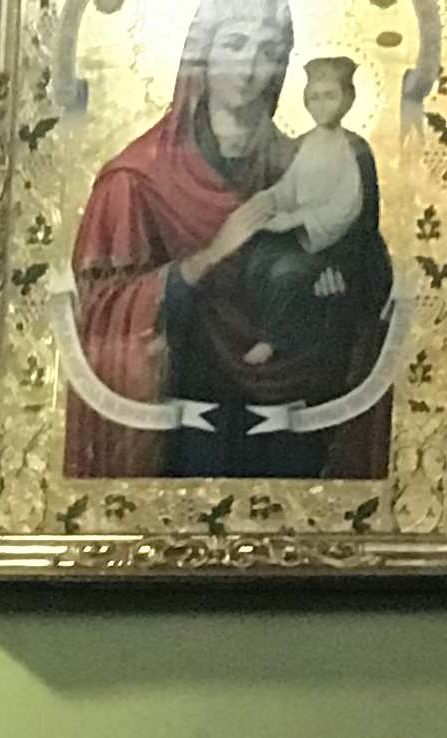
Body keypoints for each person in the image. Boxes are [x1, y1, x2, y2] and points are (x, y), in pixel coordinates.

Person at [63, 0, 393, 482]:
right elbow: (100, 318)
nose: (250, 67)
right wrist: (208, 258)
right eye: (235, 44)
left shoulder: (309, 163)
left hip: (296, 412)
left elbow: (371, 278)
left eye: (268, 51)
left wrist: (339, 277)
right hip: (188, 422)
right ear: (201, 56)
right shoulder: (136, 179)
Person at [232, 54, 377, 370]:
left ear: (348, 99)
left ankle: (274, 340)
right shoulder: (303, 145)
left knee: (287, 273)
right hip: (299, 235)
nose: (321, 105)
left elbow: (348, 208)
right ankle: (250, 333)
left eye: (330, 96)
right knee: (256, 259)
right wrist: (268, 202)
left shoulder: (354, 149)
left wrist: (297, 220)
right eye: (314, 97)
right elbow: (288, 189)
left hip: (337, 246)